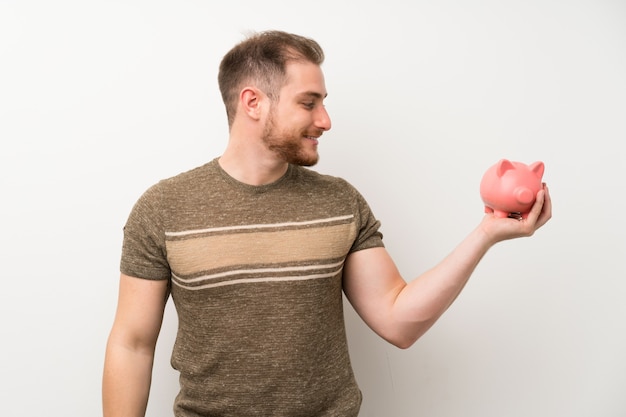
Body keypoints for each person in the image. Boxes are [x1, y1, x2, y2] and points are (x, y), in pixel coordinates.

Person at [102, 30, 552, 417]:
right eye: (308, 103)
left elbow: (399, 321)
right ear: (253, 102)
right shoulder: (163, 208)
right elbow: (132, 344)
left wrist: (487, 233)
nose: (325, 120)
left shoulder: (340, 201)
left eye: (324, 103)